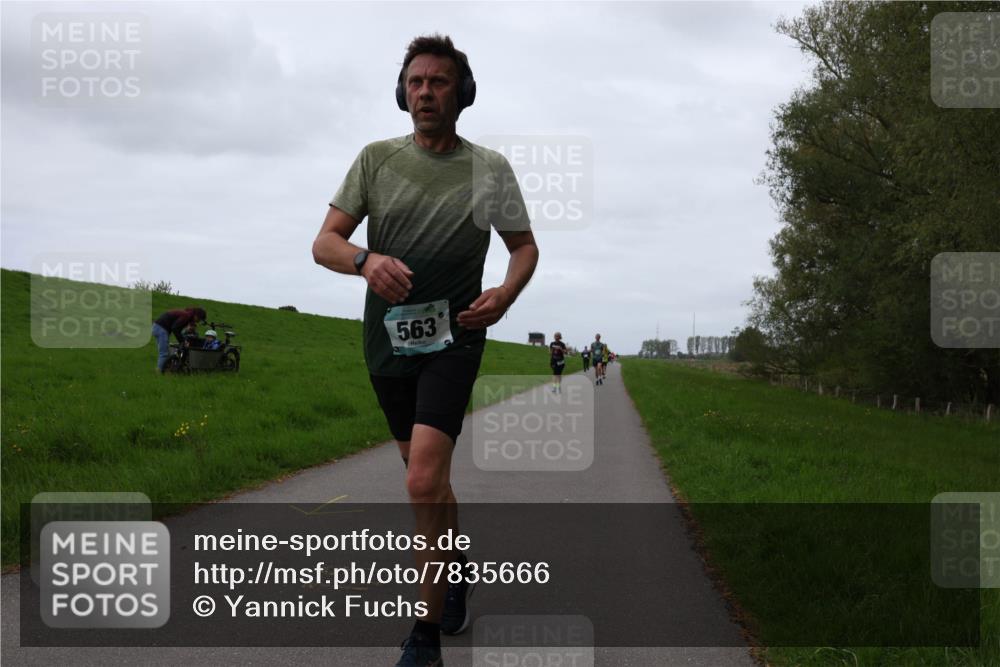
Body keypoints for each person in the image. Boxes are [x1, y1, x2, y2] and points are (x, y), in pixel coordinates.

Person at [312, 34, 538, 667]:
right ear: (402, 92)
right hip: (387, 343)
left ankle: (424, 633)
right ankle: (454, 569)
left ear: (461, 94)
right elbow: (324, 242)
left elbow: (524, 247)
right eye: (415, 82)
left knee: (418, 480)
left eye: (438, 82)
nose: (425, 92)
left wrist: (505, 294)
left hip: (456, 338)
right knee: (431, 482)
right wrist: (364, 259)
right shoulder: (375, 160)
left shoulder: (489, 168)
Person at [151, 307, 206, 372]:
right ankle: (159, 372)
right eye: (199, 319)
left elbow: (177, 329)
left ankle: (165, 369)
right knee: (164, 353)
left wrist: (182, 340)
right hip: (161, 329)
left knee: (165, 353)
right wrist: (182, 341)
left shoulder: (187, 315)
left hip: (158, 327)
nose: (198, 321)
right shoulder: (186, 316)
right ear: (196, 315)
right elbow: (175, 328)